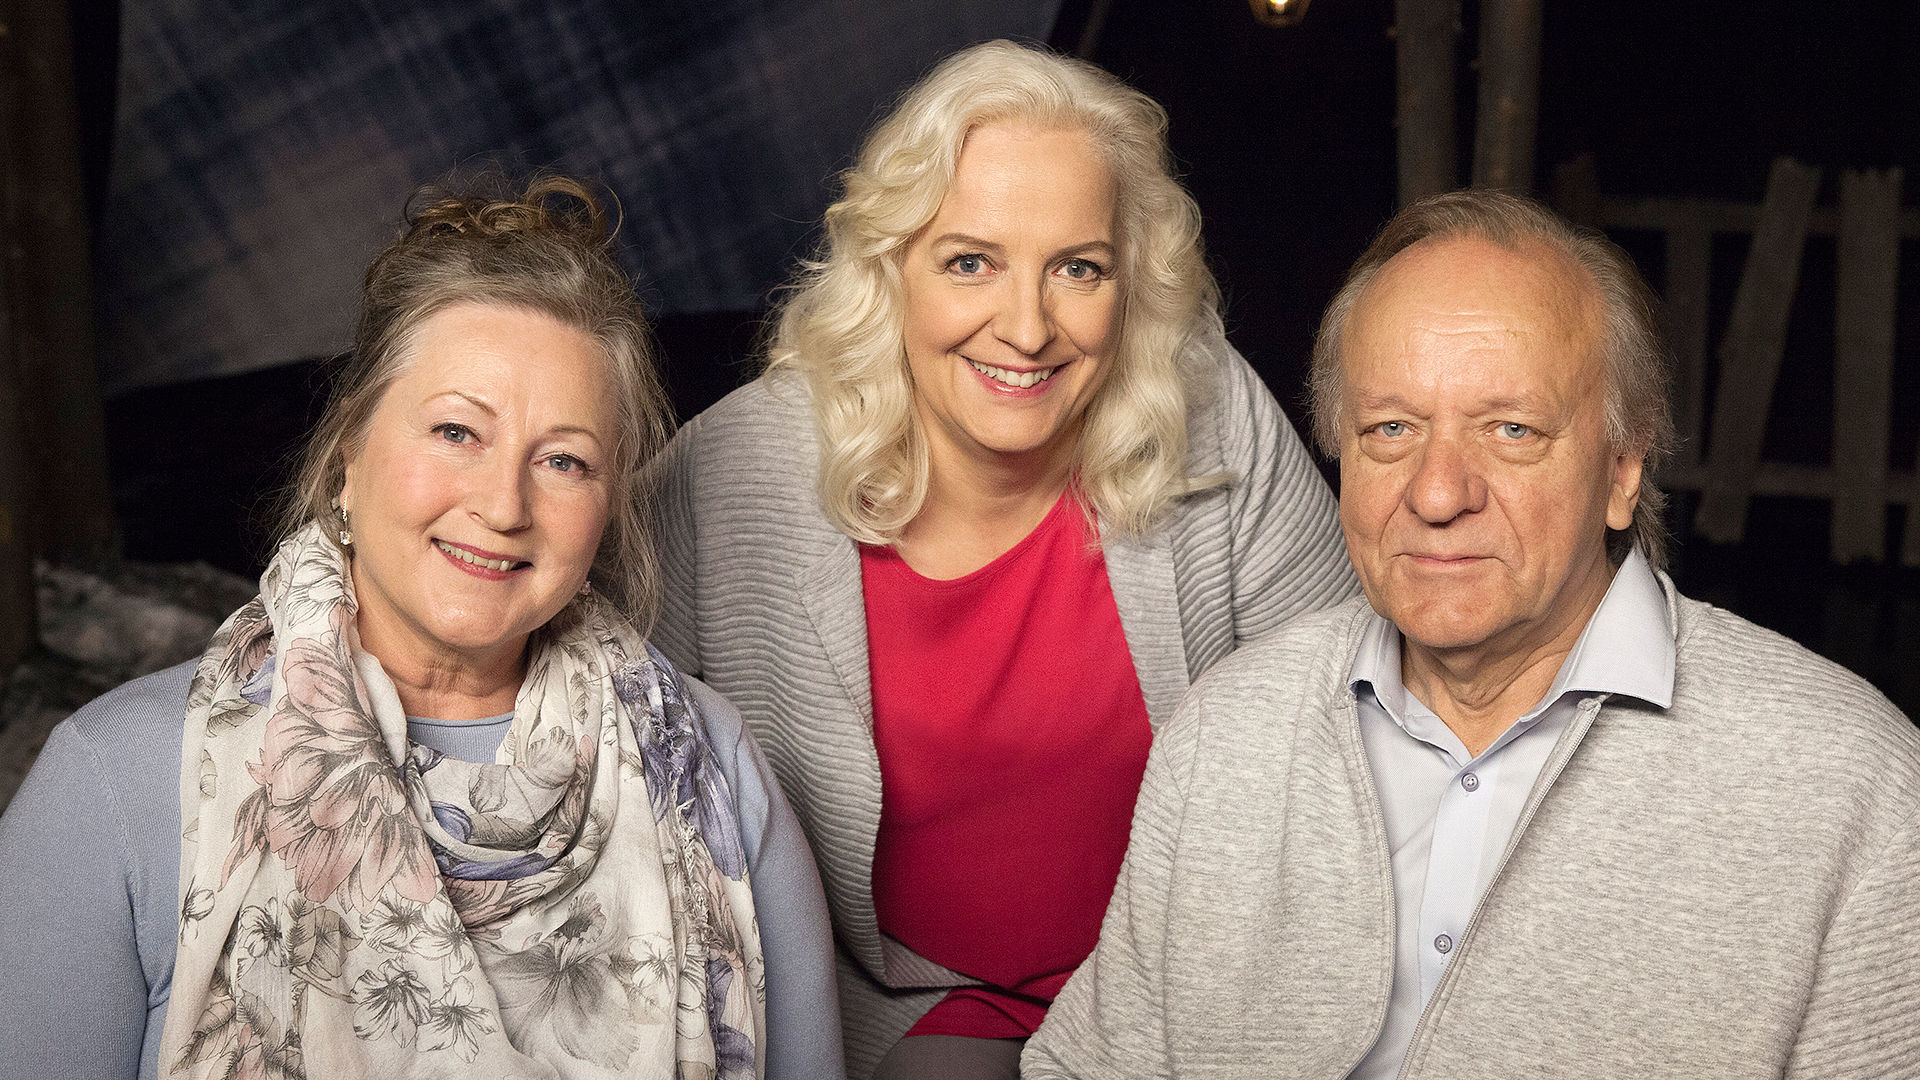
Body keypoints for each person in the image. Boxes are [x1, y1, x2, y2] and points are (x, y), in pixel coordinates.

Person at [1023, 189, 1920, 1079]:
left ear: (1623, 468)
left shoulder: (1850, 785)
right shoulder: (1228, 730)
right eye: (1391, 429)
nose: (1438, 492)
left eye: (1511, 429)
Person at [0, 176, 844, 1080]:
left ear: (608, 510)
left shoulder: (715, 770)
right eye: (455, 432)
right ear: (349, 456)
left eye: (564, 460)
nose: (503, 505)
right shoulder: (115, 781)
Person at [649, 40, 1355, 1080]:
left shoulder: (1211, 409)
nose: (1026, 329)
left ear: (1131, 283)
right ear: (891, 268)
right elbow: (581, 712)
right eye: (970, 262)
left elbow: (1354, 715)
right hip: (921, 1010)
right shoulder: (734, 468)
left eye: (1078, 269)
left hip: (1190, 980)